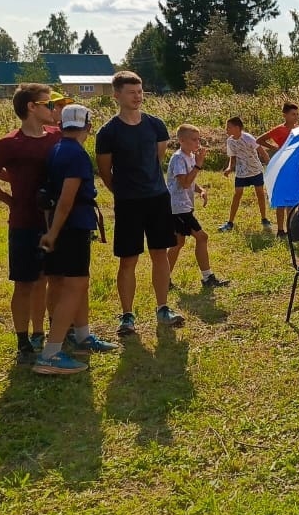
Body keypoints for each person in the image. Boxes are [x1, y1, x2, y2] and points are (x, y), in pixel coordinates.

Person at [0, 84, 64, 364]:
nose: (53, 109)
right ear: (30, 107)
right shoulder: (9, 143)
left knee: (53, 278)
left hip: (56, 222)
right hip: (25, 222)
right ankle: (23, 342)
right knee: (25, 283)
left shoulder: (57, 137)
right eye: (48, 104)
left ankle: (54, 332)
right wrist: (11, 198)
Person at [94, 70, 185, 336]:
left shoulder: (156, 125)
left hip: (157, 198)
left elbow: (156, 158)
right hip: (128, 203)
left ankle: (163, 308)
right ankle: (127, 316)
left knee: (160, 254)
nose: (138, 96)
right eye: (131, 92)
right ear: (117, 95)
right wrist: (123, 192)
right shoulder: (108, 132)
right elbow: (105, 171)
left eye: (140, 90)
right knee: (128, 260)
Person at [36, 104, 120, 375]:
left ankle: (82, 337)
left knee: (68, 283)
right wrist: (54, 231)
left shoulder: (58, 149)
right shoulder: (77, 155)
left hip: (62, 228)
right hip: (71, 228)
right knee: (75, 286)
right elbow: (66, 198)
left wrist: (51, 229)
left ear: (61, 125)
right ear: (88, 126)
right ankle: (51, 354)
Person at [167, 124, 228, 290]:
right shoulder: (179, 158)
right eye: (193, 139)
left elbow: (190, 181)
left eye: (198, 139)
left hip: (183, 206)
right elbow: (184, 182)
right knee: (202, 237)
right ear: (182, 140)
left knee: (177, 243)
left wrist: (200, 189)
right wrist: (199, 165)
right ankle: (208, 277)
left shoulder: (190, 157)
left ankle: (164, 278)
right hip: (178, 207)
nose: (197, 142)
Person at [219, 116, 271, 232]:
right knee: (237, 194)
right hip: (241, 172)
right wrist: (229, 168)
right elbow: (233, 157)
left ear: (237, 128)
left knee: (260, 194)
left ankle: (264, 219)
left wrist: (269, 165)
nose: (226, 130)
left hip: (255, 170)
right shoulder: (230, 141)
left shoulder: (248, 138)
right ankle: (230, 222)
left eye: (229, 127)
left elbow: (262, 152)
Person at [256, 102, 299, 235]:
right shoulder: (279, 129)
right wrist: (275, 148)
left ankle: (291, 228)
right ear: (285, 115)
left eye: (297, 114)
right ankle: (280, 229)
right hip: (282, 166)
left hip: (295, 166)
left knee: (292, 200)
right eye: (293, 114)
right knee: (282, 198)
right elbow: (259, 140)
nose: (296, 117)